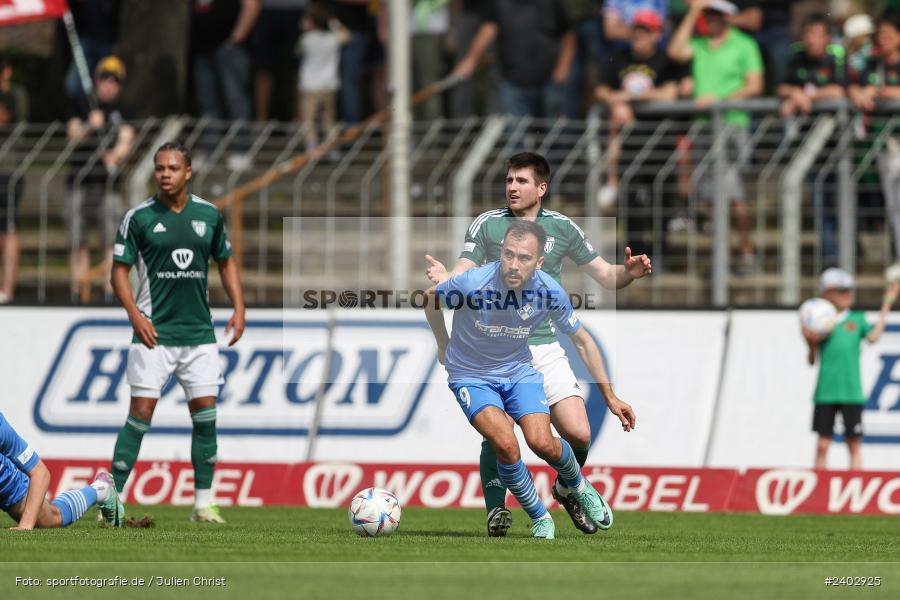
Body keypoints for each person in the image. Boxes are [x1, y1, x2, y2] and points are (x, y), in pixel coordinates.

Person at [425, 151, 651, 536]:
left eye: (521, 181)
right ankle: (498, 509)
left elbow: (605, 276)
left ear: (541, 188)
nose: (512, 187)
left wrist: (627, 274)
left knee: (577, 433)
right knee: (500, 432)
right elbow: (466, 272)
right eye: (509, 180)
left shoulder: (563, 228)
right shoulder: (488, 225)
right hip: (492, 345)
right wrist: (448, 277)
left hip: (541, 346)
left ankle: (567, 487)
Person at [109, 142, 246, 525]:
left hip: (200, 335)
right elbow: (118, 271)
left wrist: (239, 306)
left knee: (206, 417)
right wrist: (135, 315)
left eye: (172, 168)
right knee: (140, 414)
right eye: (159, 168)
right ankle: (112, 502)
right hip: (155, 333)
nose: (165, 174)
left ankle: (203, 504)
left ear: (189, 172)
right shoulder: (138, 218)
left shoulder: (209, 215)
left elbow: (226, 261)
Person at [668, 0, 763, 274]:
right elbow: (675, 50)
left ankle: (746, 250)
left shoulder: (744, 44)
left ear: (726, 17)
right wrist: (694, 11)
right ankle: (723, 253)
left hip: (733, 126)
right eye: (707, 15)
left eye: (714, 14)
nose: (710, 19)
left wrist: (720, 101)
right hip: (704, 129)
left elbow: (754, 85)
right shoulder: (699, 44)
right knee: (709, 195)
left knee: (735, 194)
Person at [594, 8, 681, 238]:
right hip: (629, 143)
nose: (639, 35)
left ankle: (660, 256)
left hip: (660, 141)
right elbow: (601, 89)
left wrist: (629, 98)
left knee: (661, 201)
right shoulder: (618, 57)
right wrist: (614, 102)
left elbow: (670, 93)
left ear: (657, 34)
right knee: (630, 202)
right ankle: (633, 255)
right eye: (636, 29)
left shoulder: (666, 61)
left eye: (646, 30)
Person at [802, 268, 898, 470]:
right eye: (842, 290)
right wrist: (810, 343)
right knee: (822, 445)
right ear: (826, 294)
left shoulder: (857, 319)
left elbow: (873, 337)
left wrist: (886, 305)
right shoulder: (820, 323)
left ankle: (854, 490)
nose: (848, 295)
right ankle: (818, 492)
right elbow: (811, 361)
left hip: (851, 392)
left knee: (853, 444)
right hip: (826, 392)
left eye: (849, 290)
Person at [65, 56, 135, 300]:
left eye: (115, 80)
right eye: (105, 78)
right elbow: (73, 134)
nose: (109, 84)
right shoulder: (81, 103)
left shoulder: (123, 110)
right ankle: (79, 290)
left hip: (109, 186)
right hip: (79, 182)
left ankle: (110, 292)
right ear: (96, 80)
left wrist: (114, 155)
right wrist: (89, 125)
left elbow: (127, 139)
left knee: (110, 242)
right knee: (78, 241)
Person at [452, 0, 575, 118]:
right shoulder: (500, 4)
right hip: (513, 83)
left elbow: (568, 35)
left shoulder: (552, 3)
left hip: (549, 82)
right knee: (516, 136)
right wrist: (470, 60)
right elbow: (488, 30)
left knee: (551, 134)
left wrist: (563, 68)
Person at [1, 412, 123, 529]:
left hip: (6, 483)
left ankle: (100, 489)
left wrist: (25, 526)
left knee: (51, 518)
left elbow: (40, 472)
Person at [848, 10, 900, 262]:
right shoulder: (871, 63)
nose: (883, 39)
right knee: (894, 204)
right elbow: (852, 84)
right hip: (884, 142)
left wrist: (880, 91)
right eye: (880, 34)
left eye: (889, 34)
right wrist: (856, 92)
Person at [297, 2, 349, 150]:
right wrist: (332, 21)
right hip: (329, 86)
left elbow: (298, 52)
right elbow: (346, 35)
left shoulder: (305, 40)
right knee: (329, 120)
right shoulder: (332, 39)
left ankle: (311, 146)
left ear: (312, 22)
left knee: (308, 120)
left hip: (310, 88)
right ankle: (332, 148)